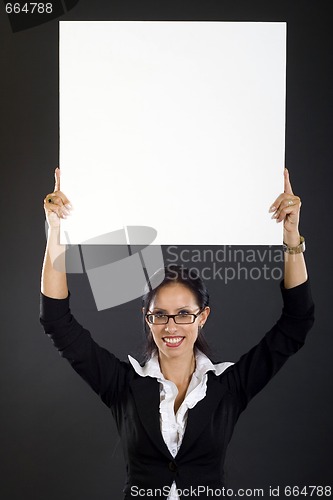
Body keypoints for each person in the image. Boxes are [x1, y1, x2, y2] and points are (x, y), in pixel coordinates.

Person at [40, 167, 314, 499]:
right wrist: (55, 231)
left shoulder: (229, 387)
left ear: (203, 317)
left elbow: (297, 321)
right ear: (147, 317)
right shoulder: (122, 385)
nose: (171, 326)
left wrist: (291, 238)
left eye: (184, 314)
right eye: (160, 315)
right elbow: (56, 320)